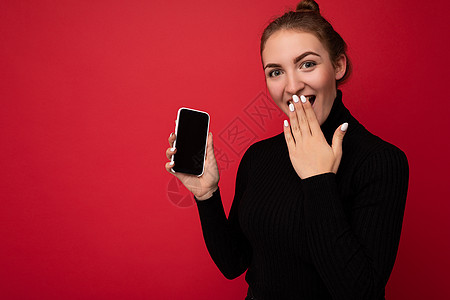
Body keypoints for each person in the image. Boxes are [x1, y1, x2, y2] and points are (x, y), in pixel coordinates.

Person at [165, 0, 409, 299]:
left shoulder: (380, 160)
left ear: (338, 65)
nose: (292, 86)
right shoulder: (259, 156)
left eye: (307, 64)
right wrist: (207, 195)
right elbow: (233, 264)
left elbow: (360, 292)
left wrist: (318, 180)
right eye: (276, 72)